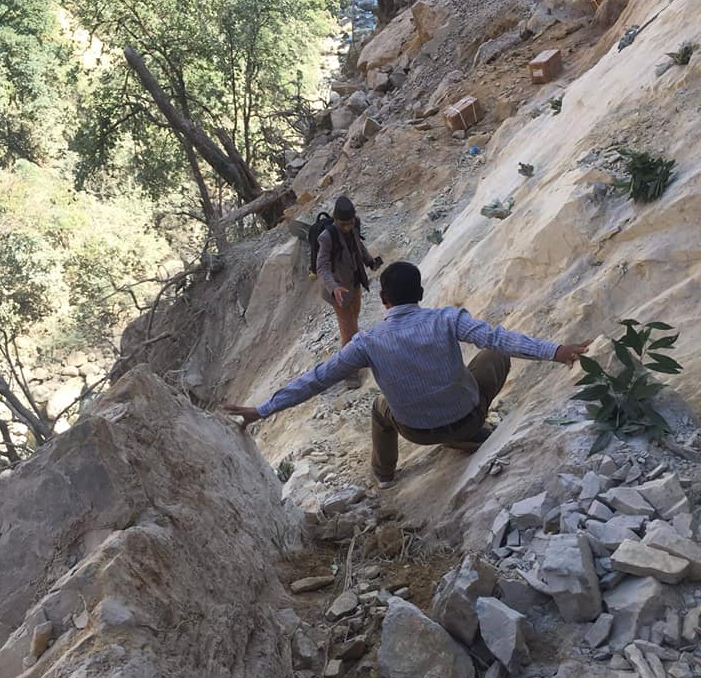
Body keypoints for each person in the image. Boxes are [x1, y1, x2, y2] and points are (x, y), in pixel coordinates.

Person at [225, 262, 591, 486]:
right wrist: (556, 351)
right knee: (495, 353)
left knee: (379, 408)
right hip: (468, 415)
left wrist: (262, 410)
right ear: (420, 292)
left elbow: (317, 378)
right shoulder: (447, 319)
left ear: (383, 299)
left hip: (416, 431)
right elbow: (498, 338)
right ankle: (466, 435)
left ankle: (384, 475)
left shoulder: (367, 342)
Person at [316, 196, 381, 388]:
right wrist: (334, 287)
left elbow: (358, 245)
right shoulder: (327, 237)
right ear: (336, 220)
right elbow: (322, 267)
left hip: (354, 283)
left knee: (353, 322)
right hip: (338, 292)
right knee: (350, 331)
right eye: (343, 224)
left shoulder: (354, 225)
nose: (347, 227)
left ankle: (351, 355)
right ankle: (350, 372)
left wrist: (369, 261)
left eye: (350, 223)